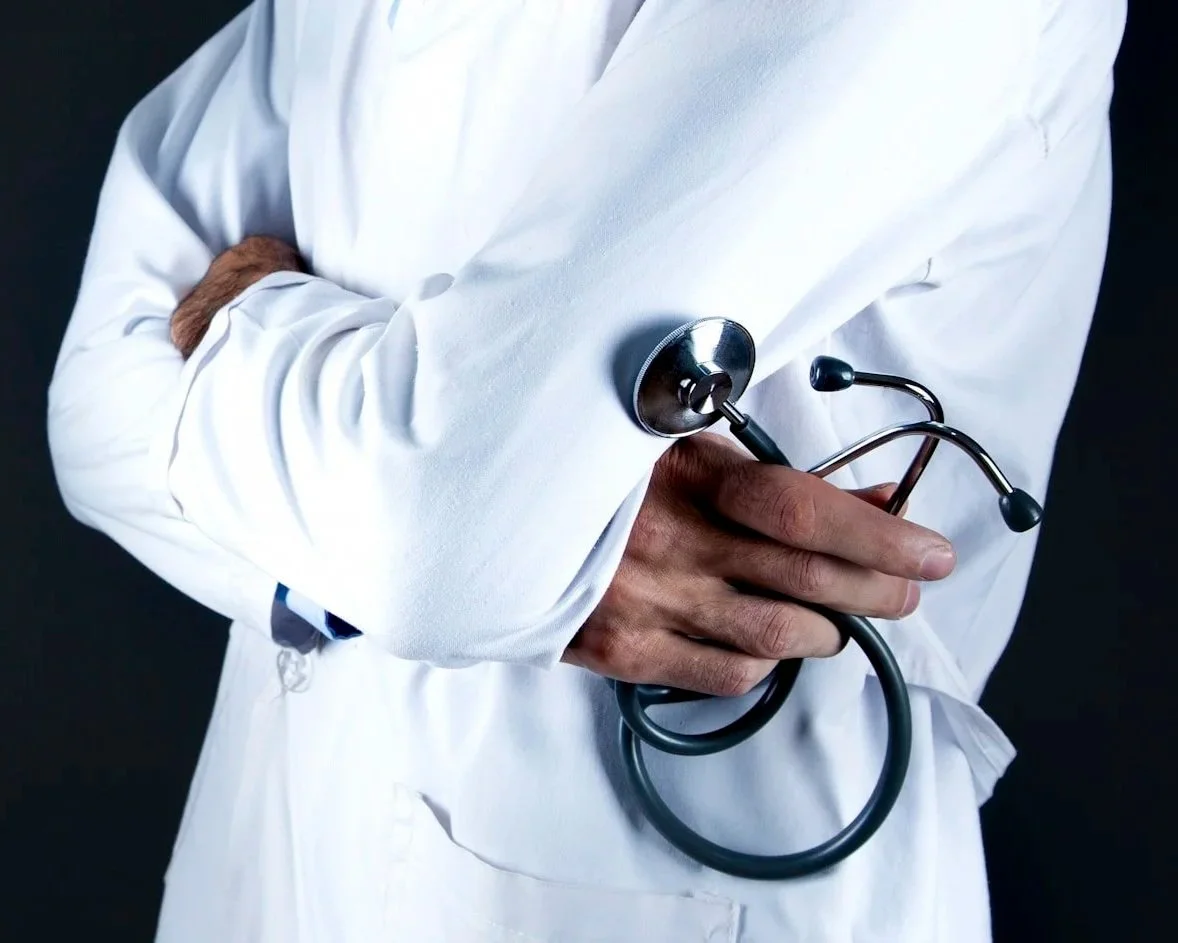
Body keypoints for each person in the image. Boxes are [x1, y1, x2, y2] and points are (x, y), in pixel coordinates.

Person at [46, 1, 1126, 939]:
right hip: (278, 863)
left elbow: (439, 533)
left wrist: (240, 323)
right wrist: (432, 516)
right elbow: (92, 403)